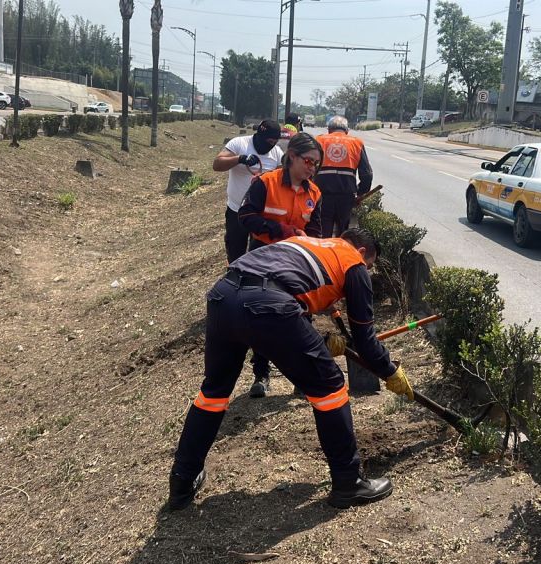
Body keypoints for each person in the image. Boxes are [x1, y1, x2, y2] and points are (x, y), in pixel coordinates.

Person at [167, 228, 413, 511]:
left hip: (224, 295)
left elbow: (283, 294)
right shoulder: (353, 262)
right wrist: (390, 370)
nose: (366, 272)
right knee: (330, 386)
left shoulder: (308, 244)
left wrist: (319, 341)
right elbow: (365, 342)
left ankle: (182, 481)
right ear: (361, 253)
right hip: (266, 305)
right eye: (369, 266)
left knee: (214, 391)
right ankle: (349, 482)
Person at [237, 131, 325, 397]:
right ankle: (261, 375)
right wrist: (280, 230)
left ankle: (302, 375)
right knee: (263, 318)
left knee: (301, 317)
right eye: (308, 161)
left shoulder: (315, 193)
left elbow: (317, 231)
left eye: (316, 163)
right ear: (292, 157)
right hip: (263, 258)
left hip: (296, 262)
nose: (312, 168)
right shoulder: (266, 183)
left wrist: (308, 242)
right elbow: (246, 216)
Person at [212, 120, 284, 263]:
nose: (271, 145)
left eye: (274, 142)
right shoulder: (239, 144)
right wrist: (239, 159)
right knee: (235, 252)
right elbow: (217, 164)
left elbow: (283, 177)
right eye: (269, 141)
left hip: (261, 215)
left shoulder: (276, 154)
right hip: (236, 210)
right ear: (259, 135)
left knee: (257, 256)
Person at [314, 115, 374, 237]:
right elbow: (367, 174)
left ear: (329, 130)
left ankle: (323, 254)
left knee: (322, 231)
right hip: (346, 196)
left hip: (322, 194)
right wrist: (361, 193)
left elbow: (309, 167)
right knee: (343, 233)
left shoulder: (319, 141)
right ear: (347, 131)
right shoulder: (356, 143)